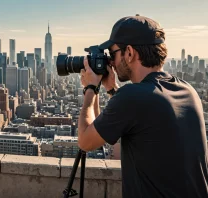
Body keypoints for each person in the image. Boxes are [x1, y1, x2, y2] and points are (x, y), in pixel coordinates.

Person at [78, 15, 208, 197]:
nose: (112, 62)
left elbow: (85, 141)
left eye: (113, 54)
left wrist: (91, 88)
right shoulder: (188, 91)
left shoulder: (132, 97)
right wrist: (111, 89)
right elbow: (141, 119)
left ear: (129, 53)